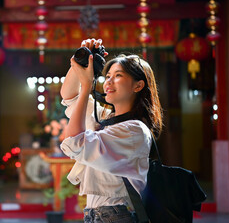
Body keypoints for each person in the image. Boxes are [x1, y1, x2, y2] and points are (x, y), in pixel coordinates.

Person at [60, 38, 163, 223]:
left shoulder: (134, 130)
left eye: (118, 76)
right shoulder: (106, 119)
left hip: (117, 215)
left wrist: (86, 88)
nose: (108, 81)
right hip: (97, 214)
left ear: (138, 86)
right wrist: (81, 62)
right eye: (107, 76)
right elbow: (69, 96)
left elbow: (75, 141)